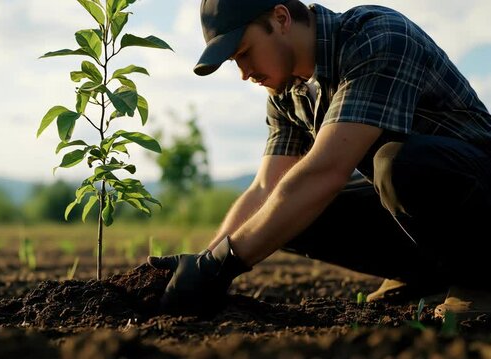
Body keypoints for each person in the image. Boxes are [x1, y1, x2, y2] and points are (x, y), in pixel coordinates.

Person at [147, 0, 491, 320]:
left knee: (398, 164)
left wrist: (222, 263)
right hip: (421, 205)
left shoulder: (378, 36)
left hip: (478, 188)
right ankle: (425, 274)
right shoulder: (287, 93)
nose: (243, 72)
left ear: (280, 19)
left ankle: (479, 278)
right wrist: (203, 264)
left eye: (244, 53)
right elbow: (266, 189)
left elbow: (327, 170)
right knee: (284, 210)